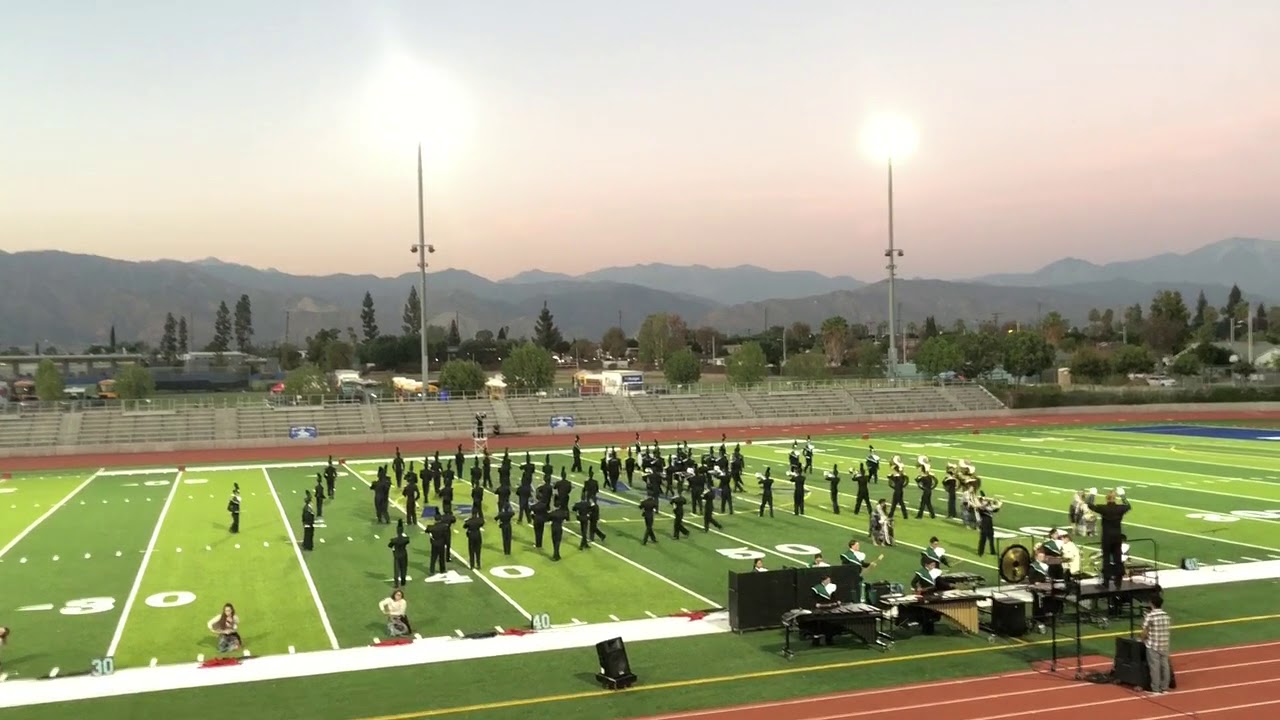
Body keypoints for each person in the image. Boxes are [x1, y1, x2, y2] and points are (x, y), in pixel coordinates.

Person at [1088, 488, 1131, 589]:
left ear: (1106, 499)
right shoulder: (1120, 508)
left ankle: (1106, 583)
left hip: (1107, 537)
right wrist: (1123, 496)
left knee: (1106, 560)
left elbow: (1090, 505)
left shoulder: (1104, 508)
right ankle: (1118, 582)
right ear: (1115, 499)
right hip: (1117, 536)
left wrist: (1092, 495)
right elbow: (1128, 506)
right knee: (1118, 559)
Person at [1141, 595, 1172, 695]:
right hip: (1164, 643)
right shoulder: (1166, 615)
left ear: (1151, 604)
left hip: (1153, 644)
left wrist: (1141, 639)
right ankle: (1165, 687)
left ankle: (1155, 688)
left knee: (1155, 667)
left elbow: (1145, 632)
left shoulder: (1150, 616)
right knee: (1165, 666)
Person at [388, 519, 410, 586]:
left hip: (397, 555)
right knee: (404, 568)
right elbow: (407, 541)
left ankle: (396, 583)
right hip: (404, 554)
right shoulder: (406, 539)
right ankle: (403, 581)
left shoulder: (394, 540)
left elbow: (389, 545)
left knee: (396, 569)